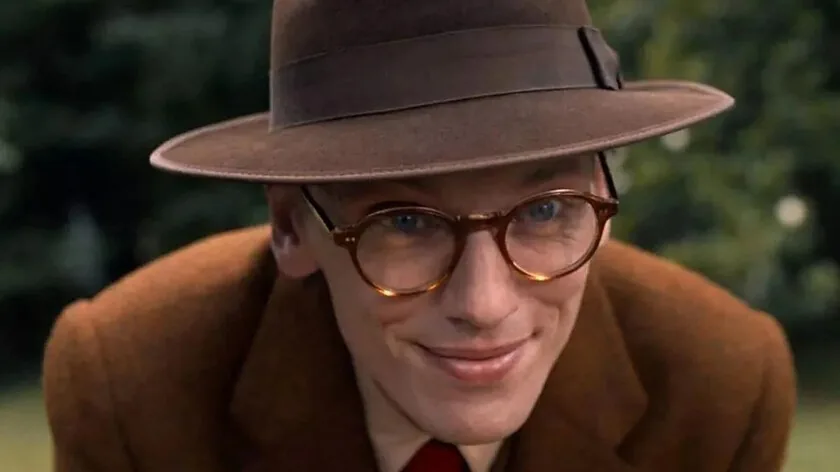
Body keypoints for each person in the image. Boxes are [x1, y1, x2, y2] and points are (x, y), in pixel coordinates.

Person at [42, 0, 797, 471]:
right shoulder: (135, 386)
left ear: (603, 195)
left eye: (545, 211)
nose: (485, 304)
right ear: (290, 225)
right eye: (404, 223)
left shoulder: (718, 387)